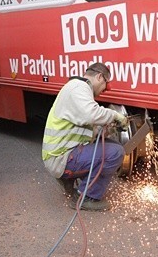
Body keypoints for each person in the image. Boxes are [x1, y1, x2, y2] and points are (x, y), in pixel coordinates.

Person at [42, 63, 128, 211]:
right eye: (105, 85)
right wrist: (114, 115)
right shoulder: (78, 87)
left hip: (61, 153)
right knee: (115, 153)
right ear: (100, 77)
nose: (104, 91)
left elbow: (88, 132)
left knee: (111, 147)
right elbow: (91, 114)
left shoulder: (76, 89)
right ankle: (86, 197)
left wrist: (110, 129)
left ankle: (69, 178)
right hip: (61, 157)